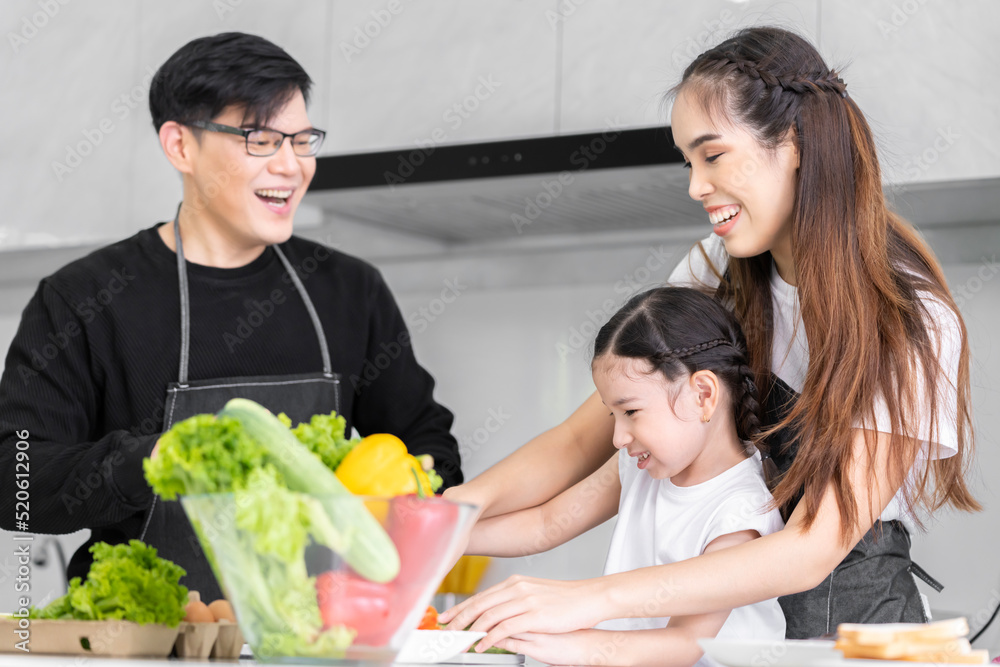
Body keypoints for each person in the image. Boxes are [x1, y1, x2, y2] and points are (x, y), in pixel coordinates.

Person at [441, 25, 978, 648]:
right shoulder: (715, 272)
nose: (695, 186)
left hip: (855, 640)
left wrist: (588, 601)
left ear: (793, 141)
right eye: (688, 162)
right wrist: (445, 514)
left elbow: (810, 548)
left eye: (712, 155)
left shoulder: (908, 317)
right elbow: (578, 440)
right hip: (736, 641)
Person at [0, 32, 461, 601]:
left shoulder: (350, 290)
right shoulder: (84, 298)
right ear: (180, 146)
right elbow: (13, 485)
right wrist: (148, 460)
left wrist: (389, 495)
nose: (292, 166)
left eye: (302, 140)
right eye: (262, 139)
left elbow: (430, 448)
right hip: (151, 640)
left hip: (317, 638)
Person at [465, 287, 785, 667]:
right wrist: (441, 537)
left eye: (631, 411)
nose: (618, 438)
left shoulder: (740, 512)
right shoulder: (643, 469)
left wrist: (566, 644)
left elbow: (683, 644)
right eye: (612, 415)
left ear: (702, 394)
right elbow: (545, 523)